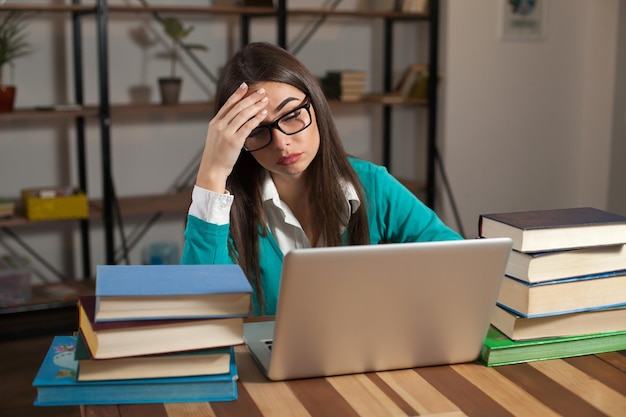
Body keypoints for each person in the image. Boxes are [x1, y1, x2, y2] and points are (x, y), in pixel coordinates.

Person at [181, 42, 462, 316]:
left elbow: (458, 266)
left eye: (291, 115)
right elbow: (200, 314)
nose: (281, 143)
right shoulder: (223, 210)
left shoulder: (372, 186)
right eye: (256, 131)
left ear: (316, 106)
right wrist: (212, 172)